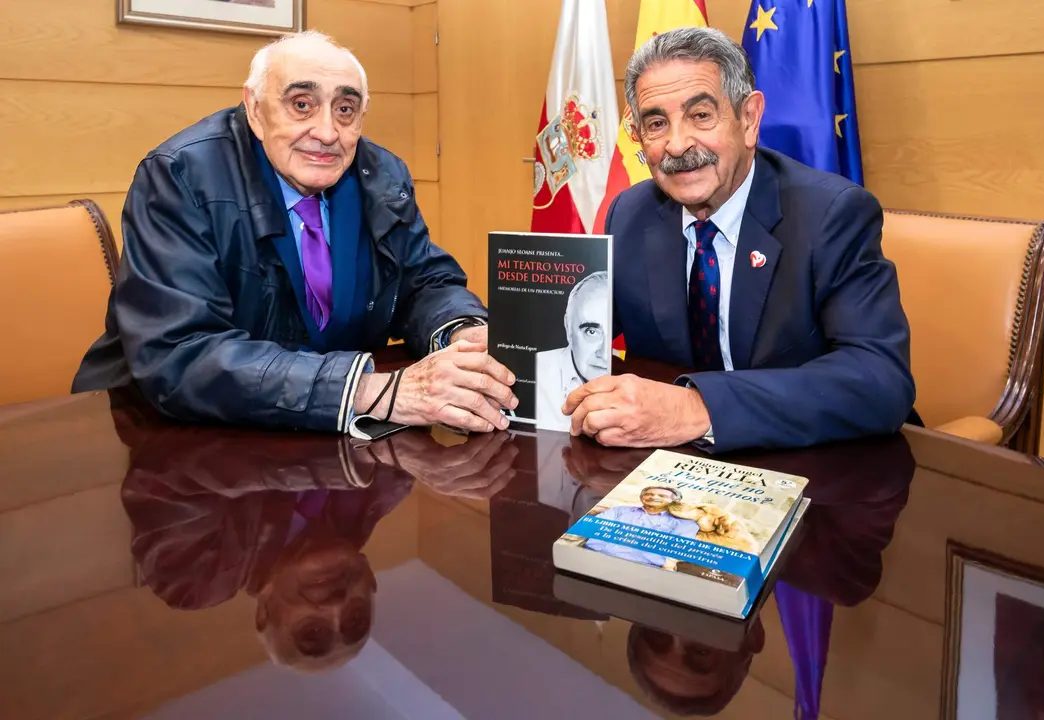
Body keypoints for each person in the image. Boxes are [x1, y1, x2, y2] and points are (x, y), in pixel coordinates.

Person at [71, 30, 517, 436]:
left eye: (345, 109)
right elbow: (180, 353)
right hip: (168, 437)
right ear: (254, 108)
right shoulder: (181, 176)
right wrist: (370, 391)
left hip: (323, 444)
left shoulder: (382, 176)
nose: (326, 132)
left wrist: (461, 331)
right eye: (301, 103)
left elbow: (423, 283)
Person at [562, 27, 917, 452]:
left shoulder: (832, 216)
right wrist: (494, 339)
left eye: (700, 116)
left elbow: (880, 380)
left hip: (818, 466)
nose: (677, 145)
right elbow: (581, 325)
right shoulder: (632, 213)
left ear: (748, 119)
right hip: (671, 467)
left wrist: (698, 408)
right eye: (657, 123)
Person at [534, 271, 610, 431]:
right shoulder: (532, 373)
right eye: (591, 331)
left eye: (614, 334)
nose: (604, 355)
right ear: (568, 327)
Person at [581, 486, 700, 569]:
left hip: (640, 568)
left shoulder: (685, 523)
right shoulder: (620, 510)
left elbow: (675, 549)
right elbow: (593, 527)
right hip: (591, 556)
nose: (653, 497)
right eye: (649, 494)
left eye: (662, 495)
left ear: (676, 501)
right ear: (641, 497)